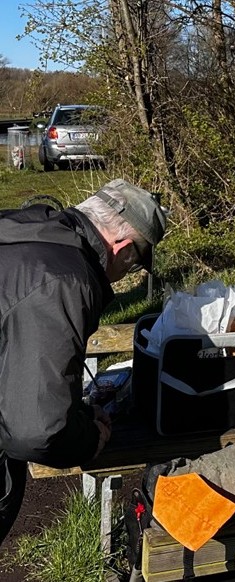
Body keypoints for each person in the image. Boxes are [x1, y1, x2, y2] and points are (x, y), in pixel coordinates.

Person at [0, 178, 167, 544]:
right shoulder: (64, 281)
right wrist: (88, 438)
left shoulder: (22, 235)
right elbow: (37, 431)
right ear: (123, 249)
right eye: (134, 265)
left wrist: (76, 411)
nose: (125, 275)